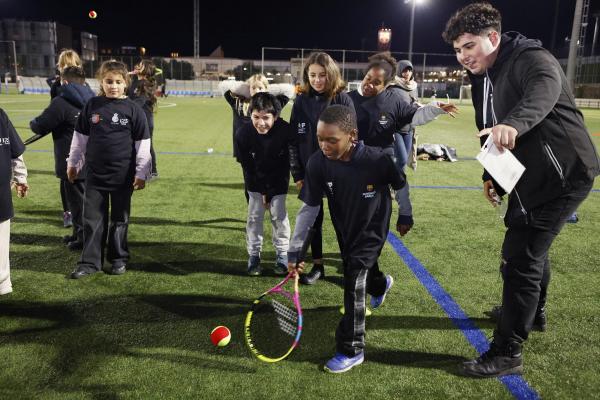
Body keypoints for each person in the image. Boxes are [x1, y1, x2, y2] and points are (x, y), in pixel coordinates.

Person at [443, 2, 600, 378]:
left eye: (468, 46)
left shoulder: (532, 57)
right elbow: (489, 128)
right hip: (531, 176)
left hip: (564, 175)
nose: (463, 56)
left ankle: (507, 352)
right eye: (458, 50)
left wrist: (515, 122)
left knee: (520, 257)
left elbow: (545, 89)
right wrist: (492, 178)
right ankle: (533, 314)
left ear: (493, 37)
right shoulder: (484, 74)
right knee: (531, 253)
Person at [287, 105, 404, 373]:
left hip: (373, 225)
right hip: (345, 224)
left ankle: (352, 349)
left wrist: (405, 214)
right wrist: (295, 252)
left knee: (353, 278)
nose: (324, 145)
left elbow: (399, 182)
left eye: (332, 139)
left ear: (352, 135)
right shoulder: (317, 163)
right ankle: (379, 284)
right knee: (360, 267)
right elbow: (309, 210)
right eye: (320, 138)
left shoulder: (376, 160)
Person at [348, 52, 457, 236]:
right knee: (353, 219)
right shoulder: (347, 99)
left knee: (378, 217)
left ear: (387, 85)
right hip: (354, 167)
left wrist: (435, 108)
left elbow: (415, 116)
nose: (369, 84)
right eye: (368, 78)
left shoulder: (393, 101)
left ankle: (373, 256)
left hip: (381, 163)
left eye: (377, 82)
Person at [67, 60, 152, 279]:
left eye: (118, 81)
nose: (113, 86)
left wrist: (141, 173)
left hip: (123, 176)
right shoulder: (92, 106)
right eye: (108, 81)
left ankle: (118, 258)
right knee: (92, 219)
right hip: (94, 175)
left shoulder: (134, 110)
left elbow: (143, 145)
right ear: (101, 82)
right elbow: (80, 139)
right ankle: (90, 262)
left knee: (120, 219)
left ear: (126, 83)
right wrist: (73, 164)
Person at [289, 51, 355, 285]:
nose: (318, 80)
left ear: (332, 75)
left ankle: (349, 265)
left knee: (342, 220)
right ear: (307, 75)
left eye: (323, 75)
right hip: (311, 172)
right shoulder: (301, 100)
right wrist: (297, 173)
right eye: (313, 75)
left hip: (339, 173)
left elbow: (352, 139)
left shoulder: (342, 99)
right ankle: (318, 266)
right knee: (313, 222)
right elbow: (294, 141)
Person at [29, 66, 95, 250]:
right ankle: (78, 234)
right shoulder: (94, 100)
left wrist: (32, 123)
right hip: (92, 160)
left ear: (64, 82)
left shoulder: (61, 102)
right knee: (85, 203)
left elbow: (40, 125)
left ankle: (83, 239)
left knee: (77, 204)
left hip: (71, 162)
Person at [235, 92, 294, 276]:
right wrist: (261, 191)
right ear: (250, 114)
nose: (261, 123)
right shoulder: (243, 132)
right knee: (254, 218)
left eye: (266, 117)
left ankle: (282, 255)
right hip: (254, 184)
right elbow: (247, 166)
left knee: (279, 217)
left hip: (278, 182)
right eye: (256, 117)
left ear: (275, 116)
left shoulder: (285, 130)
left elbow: (286, 164)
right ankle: (254, 256)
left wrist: (271, 191)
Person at [46, 49, 84, 228]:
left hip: (70, 135)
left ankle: (72, 213)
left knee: (69, 175)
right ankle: (73, 213)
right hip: (73, 135)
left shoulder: (61, 85)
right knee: (72, 175)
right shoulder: (62, 85)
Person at [0, 108, 29, 295]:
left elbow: (15, 152)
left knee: (1, 241)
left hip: (1, 193)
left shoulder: (0, 115)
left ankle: (2, 283)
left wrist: (21, 178)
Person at [128, 59, 160, 179]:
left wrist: (124, 107)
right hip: (135, 119)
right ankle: (139, 170)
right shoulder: (136, 82)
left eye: (140, 65)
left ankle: (152, 171)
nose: (136, 65)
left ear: (145, 70)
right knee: (135, 146)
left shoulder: (146, 84)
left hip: (144, 120)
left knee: (146, 146)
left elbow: (138, 103)